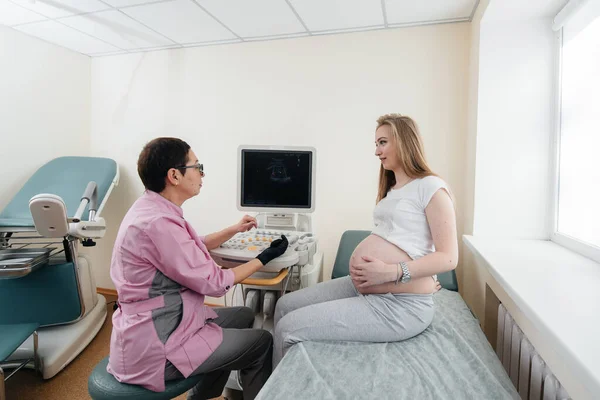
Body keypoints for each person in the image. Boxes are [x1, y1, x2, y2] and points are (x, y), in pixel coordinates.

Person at [107, 137, 288, 400]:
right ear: (174, 176)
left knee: (244, 315)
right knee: (261, 342)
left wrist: (232, 231)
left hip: (163, 323)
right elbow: (216, 284)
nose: (202, 173)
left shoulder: (151, 208)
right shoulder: (158, 223)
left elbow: (187, 249)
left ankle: (202, 396)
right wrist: (264, 257)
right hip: (157, 346)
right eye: (196, 166)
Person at [272, 113, 458, 367]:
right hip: (369, 287)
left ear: (403, 142)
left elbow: (448, 257)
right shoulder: (393, 189)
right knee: (284, 305)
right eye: (376, 144)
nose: (376, 151)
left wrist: (393, 271)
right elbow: (409, 243)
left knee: (287, 328)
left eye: (382, 142)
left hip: (400, 306)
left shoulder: (431, 187)